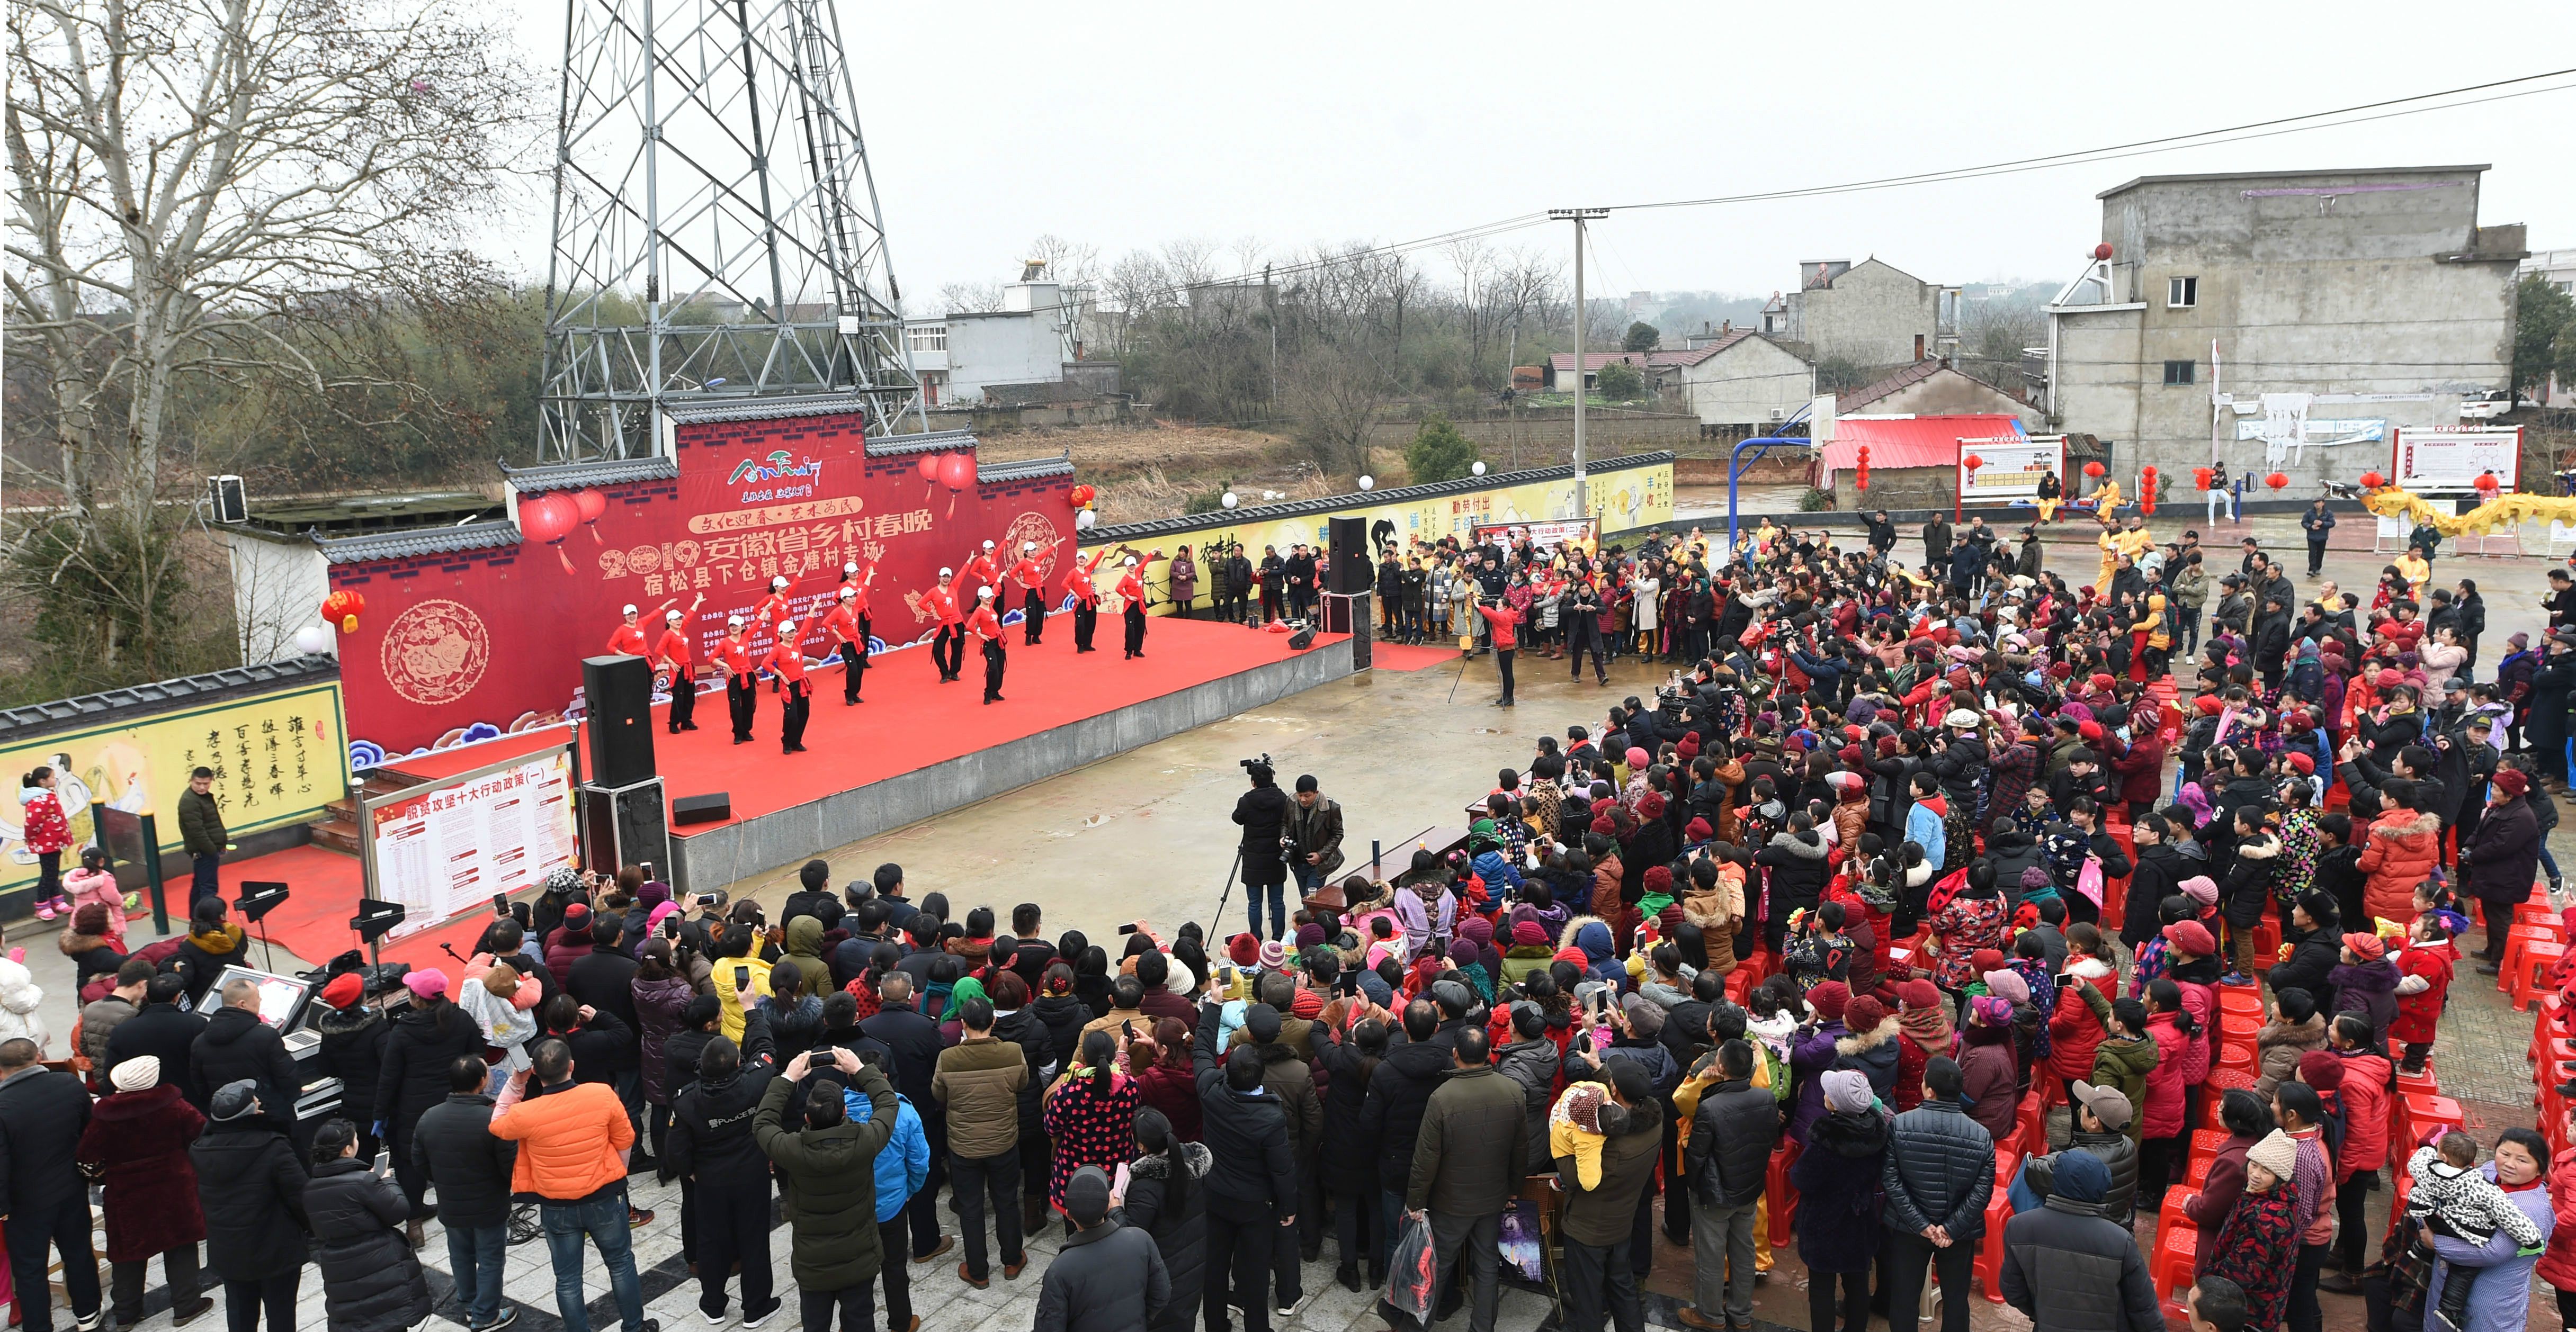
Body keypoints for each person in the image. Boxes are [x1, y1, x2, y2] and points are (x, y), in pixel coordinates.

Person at [489, 1039, 658, 1332]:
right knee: (620, 1264)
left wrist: (517, 1084)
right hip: (604, 1198)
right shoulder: (601, 1095)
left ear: (536, 1074)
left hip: (557, 1207)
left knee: (568, 1279)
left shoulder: (527, 1113)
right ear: (571, 1066)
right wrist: (614, 1169)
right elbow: (625, 1139)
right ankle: (634, 1327)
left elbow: (497, 1123)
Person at [750, 1047, 900, 1332]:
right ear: (844, 1112)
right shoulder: (865, 1141)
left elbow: (763, 1122)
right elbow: (888, 1104)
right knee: (860, 1322)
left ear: (807, 1118)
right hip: (860, 1258)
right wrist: (860, 1070)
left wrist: (786, 1079)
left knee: (815, 1325)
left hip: (813, 1263)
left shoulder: (791, 1149)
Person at [1402, 1024, 1526, 1332]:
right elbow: (1520, 1148)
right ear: (1487, 1055)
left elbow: (1426, 1157)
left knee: (1437, 1266)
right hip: (1494, 1196)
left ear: (1455, 1054)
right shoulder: (1512, 1091)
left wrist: (1416, 1200)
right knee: (1486, 1266)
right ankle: (1483, 1327)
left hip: (1450, 1202)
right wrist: (1514, 1189)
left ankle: (1418, 1326)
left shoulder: (1442, 1098)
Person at [77, 1054, 213, 1327]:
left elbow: (86, 1159)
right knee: (181, 1245)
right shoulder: (175, 1107)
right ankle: (187, 1305)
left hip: (125, 1192)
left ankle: (127, 1314)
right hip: (175, 1185)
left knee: (128, 1253)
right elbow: (202, 1136)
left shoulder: (104, 1116)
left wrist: (104, 1174)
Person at [1192, 995, 1296, 1332]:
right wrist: (1288, 1207)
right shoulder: (1270, 1116)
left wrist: (1213, 1007)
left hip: (1217, 1194)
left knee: (1215, 1268)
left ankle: (1215, 1325)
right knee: (1254, 1273)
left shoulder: (1210, 1090)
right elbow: (1282, 1168)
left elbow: (1202, 1051)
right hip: (1255, 1204)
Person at [667, 1028, 780, 1324]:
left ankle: (713, 1304)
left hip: (710, 1181)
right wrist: (752, 1011)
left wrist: (691, 1173)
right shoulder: (755, 1084)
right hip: (752, 1176)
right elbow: (768, 1053)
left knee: (711, 1241)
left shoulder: (687, 1100)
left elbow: (676, 1149)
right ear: (737, 1064)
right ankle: (756, 1307)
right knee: (754, 1240)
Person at [1880, 1056, 1996, 1332]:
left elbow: (1891, 1180)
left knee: (1904, 1298)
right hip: (1958, 1234)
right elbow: (1983, 1191)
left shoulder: (1902, 1125)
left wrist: (1921, 1224)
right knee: (1956, 1300)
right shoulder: (1982, 1136)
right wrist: (1951, 1228)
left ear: (1929, 1090)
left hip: (1909, 1229)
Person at [1998, 1147, 2162, 1332]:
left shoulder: (2019, 1226)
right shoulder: (2120, 1241)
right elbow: (2144, 1310)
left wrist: (2042, 1314)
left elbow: (2012, 1290)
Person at [190, 1079, 309, 1332]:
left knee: (240, 1314)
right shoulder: (273, 1145)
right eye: (254, 1099)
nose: (259, 1101)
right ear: (249, 1112)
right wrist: (309, 1229)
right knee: (281, 1313)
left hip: (229, 1249)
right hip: (275, 1247)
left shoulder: (200, 1149)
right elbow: (300, 1196)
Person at [2, 1037, 103, 1332]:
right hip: (71, 1189)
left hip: (25, 1204)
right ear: (38, 1057)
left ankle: (39, 1326)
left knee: (31, 1269)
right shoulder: (69, 1085)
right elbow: (90, 1133)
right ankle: (88, 1316)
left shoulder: (3, 1106)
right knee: (78, 1252)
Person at [413, 1054, 521, 1332]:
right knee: (490, 1259)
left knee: (460, 1257)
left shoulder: (429, 1118)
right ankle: (486, 1315)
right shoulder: (492, 1120)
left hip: (451, 1205)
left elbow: (420, 1162)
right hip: (489, 1206)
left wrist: (444, 1180)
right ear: (483, 1081)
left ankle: (472, 1305)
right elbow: (510, 1166)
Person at [375, 969, 490, 1227]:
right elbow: (477, 1057)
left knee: (410, 1164)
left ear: (416, 999)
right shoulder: (461, 1020)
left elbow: (389, 1077)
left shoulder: (403, 1031)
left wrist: (379, 1114)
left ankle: (414, 1224)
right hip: (458, 1102)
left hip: (413, 1110)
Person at [934, 993, 1031, 1288]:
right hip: (1003, 1142)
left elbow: (939, 1095)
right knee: (1006, 1202)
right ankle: (1012, 1260)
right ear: (993, 1021)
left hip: (964, 1147)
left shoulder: (948, 1058)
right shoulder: (1013, 1052)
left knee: (971, 1207)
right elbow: (1022, 1084)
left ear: (963, 1024)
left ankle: (978, 1271)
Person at [1681, 1038, 1777, 1331]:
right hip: (1748, 1190)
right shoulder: (1766, 1098)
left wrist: (1696, 1189)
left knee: (1710, 1257)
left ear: (1720, 1067)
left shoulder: (1710, 1107)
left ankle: (1710, 1316)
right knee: (1744, 1252)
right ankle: (1741, 1313)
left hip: (1715, 1195)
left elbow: (1695, 1157)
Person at [303, 1117, 433, 1332]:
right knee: (389, 1319)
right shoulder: (364, 1181)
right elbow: (399, 1211)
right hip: (378, 1262)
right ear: (347, 1149)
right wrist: (386, 1180)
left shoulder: (310, 1189)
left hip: (340, 1268)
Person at [2422, 1127, 2556, 1332]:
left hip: (2490, 1297)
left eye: (2522, 1160)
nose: (2510, 1164)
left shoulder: (2531, 1208)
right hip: (2447, 1281)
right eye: (2505, 1154)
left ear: (2540, 1169)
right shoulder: (2491, 1170)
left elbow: (2491, 1252)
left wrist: (2435, 1242)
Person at [1790, 1068, 1888, 1332]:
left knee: (1821, 1288)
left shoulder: (1825, 1143)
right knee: (1857, 1286)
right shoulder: (1877, 1134)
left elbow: (1800, 1178)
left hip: (1823, 1226)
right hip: (1861, 1221)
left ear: (1835, 1104)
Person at [1036, 1166, 1171, 1332]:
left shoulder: (1060, 1269)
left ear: (1069, 1215)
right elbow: (1162, 1295)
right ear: (1108, 1207)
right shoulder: (1140, 1240)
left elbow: (1049, 1327)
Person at [1117, 1106, 1209, 1332]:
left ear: (1141, 1145)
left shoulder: (1145, 1186)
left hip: (1162, 1277)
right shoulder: (1194, 1163)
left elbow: (1131, 1238)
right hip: (1193, 1268)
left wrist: (1115, 1209)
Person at [191, 976, 305, 1134]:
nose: (260, 999)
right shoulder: (266, 1036)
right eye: (257, 996)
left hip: (228, 1122)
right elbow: (288, 1079)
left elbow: (201, 1087)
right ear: (242, 1004)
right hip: (271, 1120)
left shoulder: (199, 1043)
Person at [1232, 760, 1291, 942]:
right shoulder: (1282, 798)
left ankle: (1256, 938)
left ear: (1253, 782)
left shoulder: (1246, 801)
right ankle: (1278, 938)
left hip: (1253, 859)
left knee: (1255, 903)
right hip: (1276, 856)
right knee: (1278, 902)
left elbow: (1237, 818)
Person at [1285, 775, 1345, 897]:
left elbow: (1338, 834)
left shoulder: (1331, 808)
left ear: (1316, 793)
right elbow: (1284, 823)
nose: (1302, 799)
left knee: (1310, 901)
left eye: (1307, 796)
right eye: (1300, 795)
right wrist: (1283, 837)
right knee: (1305, 898)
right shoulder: (1291, 802)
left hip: (1318, 865)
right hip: (1297, 861)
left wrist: (1321, 855)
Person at [177, 765, 227, 908]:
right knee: (208, 888)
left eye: (206, 784)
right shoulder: (190, 801)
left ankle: (196, 919)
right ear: (191, 781)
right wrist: (213, 851)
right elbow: (197, 832)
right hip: (203, 851)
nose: (202, 787)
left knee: (200, 886)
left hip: (208, 849)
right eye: (198, 783)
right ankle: (208, 921)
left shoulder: (201, 797)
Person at [653, 602, 703, 732]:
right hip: (678, 670)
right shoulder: (668, 634)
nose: (679, 621)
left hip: (688, 667)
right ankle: (674, 723)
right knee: (679, 696)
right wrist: (671, 663)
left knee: (689, 696)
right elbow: (659, 650)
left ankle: (686, 721)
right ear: (669, 621)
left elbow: (689, 615)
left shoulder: (681, 630)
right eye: (676, 619)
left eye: (680, 619)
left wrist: (697, 602)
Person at [770, 616, 813, 754]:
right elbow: (766, 663)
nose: (791, 634)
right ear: (781, 634)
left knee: (804, 713)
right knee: (792, 716)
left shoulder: (797, 642)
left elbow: (806, 627)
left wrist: (813, 610)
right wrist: (781, 674)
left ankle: (797, 741)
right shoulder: (778, 649)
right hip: (788, 687)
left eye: (793, 631)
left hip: (801, 684)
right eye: (788, 632)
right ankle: (787, 741)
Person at [1478, 591, 1523, 707]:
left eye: (1498, 605)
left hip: (1506, 648)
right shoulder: (1507, 613)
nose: (1496, 606)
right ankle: (1505, 694)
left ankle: (1510, 697)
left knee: (1508, 674)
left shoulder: (1504, 616)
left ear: (1505, 607)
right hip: (1502, 647)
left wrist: (1479, 606)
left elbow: (1492, 615)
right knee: (1505, 673)